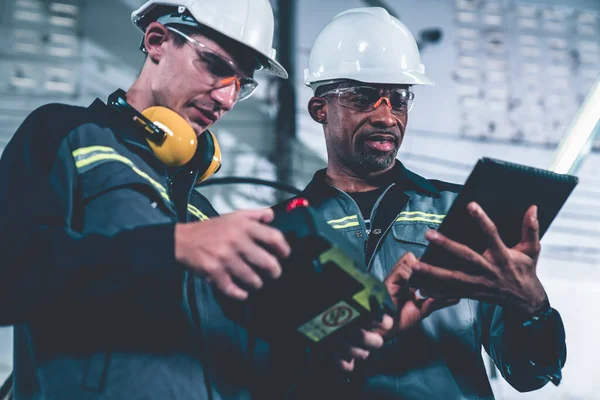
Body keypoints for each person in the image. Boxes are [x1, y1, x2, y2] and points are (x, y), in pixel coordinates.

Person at [0, 1, 389, 399]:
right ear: (156, 41)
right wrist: (174, 246)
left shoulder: (206, 218)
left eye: (241, 83)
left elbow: (249, 373)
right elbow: (11, 274)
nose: (226, 99)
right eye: (216, 66)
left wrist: (325, 350)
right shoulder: (66, 135)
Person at [289, 7, 567, 399]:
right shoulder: (282, 231)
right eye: (364, 97)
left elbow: (529, 373)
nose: (386, 116)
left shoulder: (464, 212)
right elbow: (269, 367)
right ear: (321, 110)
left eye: (399, 99)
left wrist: (533, 307)